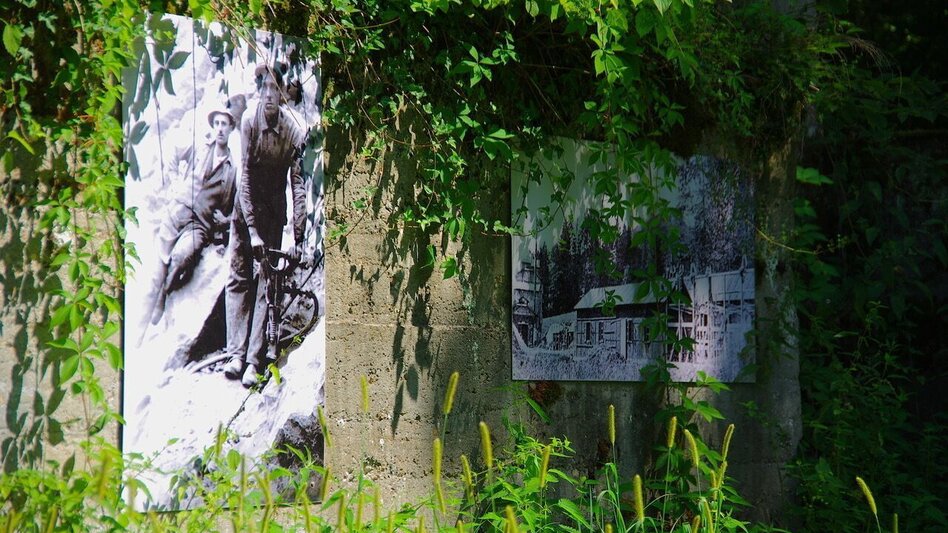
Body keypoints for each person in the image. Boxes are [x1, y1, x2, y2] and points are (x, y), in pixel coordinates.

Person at [223, 63, 308, 388]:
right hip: (246, 208)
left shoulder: (293, 133)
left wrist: (297, 238)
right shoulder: (248, 122)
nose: (270, 96)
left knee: (266, 284)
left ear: (284, 94)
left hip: (273, 209)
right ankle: (234, 353)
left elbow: (297, 187)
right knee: (238, 276)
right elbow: (243, 176)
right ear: (259, 92)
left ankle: (253, 360)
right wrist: (252, 231)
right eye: (265, 89)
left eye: (275, 89)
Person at [142, 104, 237, 334]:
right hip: (179, 209)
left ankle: (163, 296)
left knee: (182, 255)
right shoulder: (200, 146)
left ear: (232, 129)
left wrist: (225, 221)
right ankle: (143, 320)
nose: (220, 129)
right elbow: (174, 153)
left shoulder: (231, 170)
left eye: (225, 124)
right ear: (212, 127)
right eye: (217, 124)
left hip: (200, 225)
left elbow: (233, 207)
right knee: (157, 265)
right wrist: (174, 184)